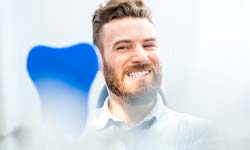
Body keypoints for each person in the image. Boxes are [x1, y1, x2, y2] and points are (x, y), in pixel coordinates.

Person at [80, 0, 225, 149]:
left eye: (149, 45)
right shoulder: (75, 136)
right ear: (98, 60)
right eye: (123, 47)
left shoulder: (199, 136)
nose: (142, 57)